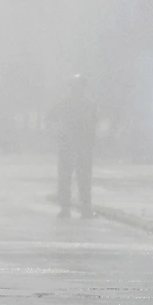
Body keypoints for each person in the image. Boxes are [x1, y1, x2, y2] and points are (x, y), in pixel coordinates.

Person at [48, 75, 97, 218]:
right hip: (73, 145)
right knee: (75, 177)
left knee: (76, 177)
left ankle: (73, 208)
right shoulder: (85, 104)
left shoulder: (70, 103)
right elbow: (51, 118)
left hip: (76, 145)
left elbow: (93, 124)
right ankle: (76, 208)